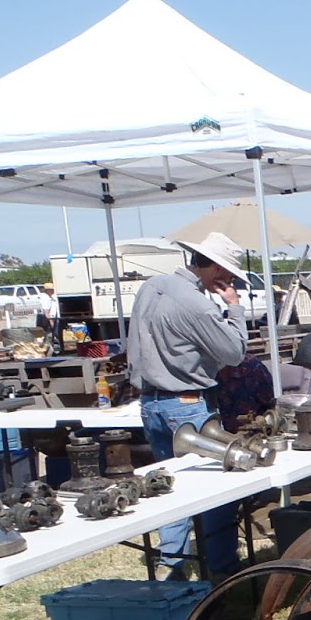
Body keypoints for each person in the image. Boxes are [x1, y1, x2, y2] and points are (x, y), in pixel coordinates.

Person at [128, 231, 249, 578]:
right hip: (187, 404)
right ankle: (223, 572)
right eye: (227, 274)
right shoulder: (197, 304)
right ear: (214, 268)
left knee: (167, 487)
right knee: (215, 490)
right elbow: (235, 353)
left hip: (151, 401)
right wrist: (234, 307)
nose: (228, 281)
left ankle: (172, 566)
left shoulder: (151, 287)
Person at [37, 283, 62, 355]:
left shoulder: (50, 297)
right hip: (47, 318)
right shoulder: (45, 298)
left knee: (51, 336)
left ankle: (51, 351)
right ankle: (48, 352)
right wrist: (51, 321)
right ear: (48, 290)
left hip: (50, 317)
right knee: (49, 335)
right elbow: (46, 311)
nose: (54, 291)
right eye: (52, 289)